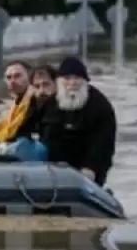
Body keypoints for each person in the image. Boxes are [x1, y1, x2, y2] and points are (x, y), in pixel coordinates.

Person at [40, 56, 117, 186]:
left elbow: (104, 143)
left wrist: (91, 168)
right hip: (55, 168)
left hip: (89, 167)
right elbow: (43, 134)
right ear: (59, 81)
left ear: (85, 81)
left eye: (77, 78)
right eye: (67, 78)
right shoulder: (51, 105)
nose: (72, 83)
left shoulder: (100, 106)